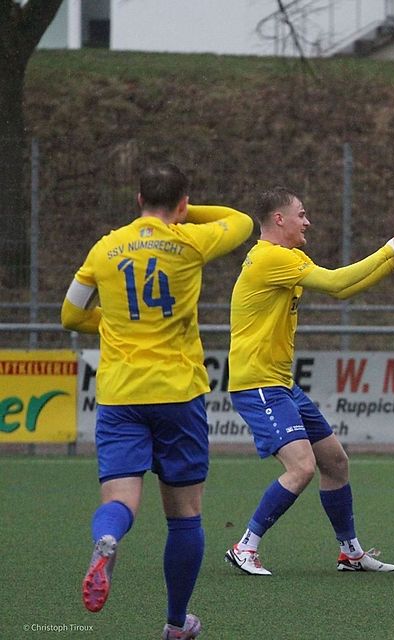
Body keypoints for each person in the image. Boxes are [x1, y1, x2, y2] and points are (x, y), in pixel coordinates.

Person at [62, 162, 254, 639]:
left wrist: (110, 326)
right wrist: (184, 216)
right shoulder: (189, 240)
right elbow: (243, 221)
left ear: (137, 199)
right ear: (184, 204)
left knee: (121, 497)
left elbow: (70, 313)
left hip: (120, 395)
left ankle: (107, 539)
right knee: (184, 515)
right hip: (177, 392)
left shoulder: (105, 248)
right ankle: (174, 624)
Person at [224, 186, 394, 575]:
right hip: (257, 383)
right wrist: (388, 247)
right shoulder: (269, 258)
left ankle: (350, 552)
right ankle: (245, 546)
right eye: (301, 214)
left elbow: (343, 290)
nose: (307, 221)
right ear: (279, 219)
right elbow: (335, 282)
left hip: (281, 383)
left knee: (335, 462)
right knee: (302, 468)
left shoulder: (287, 257)